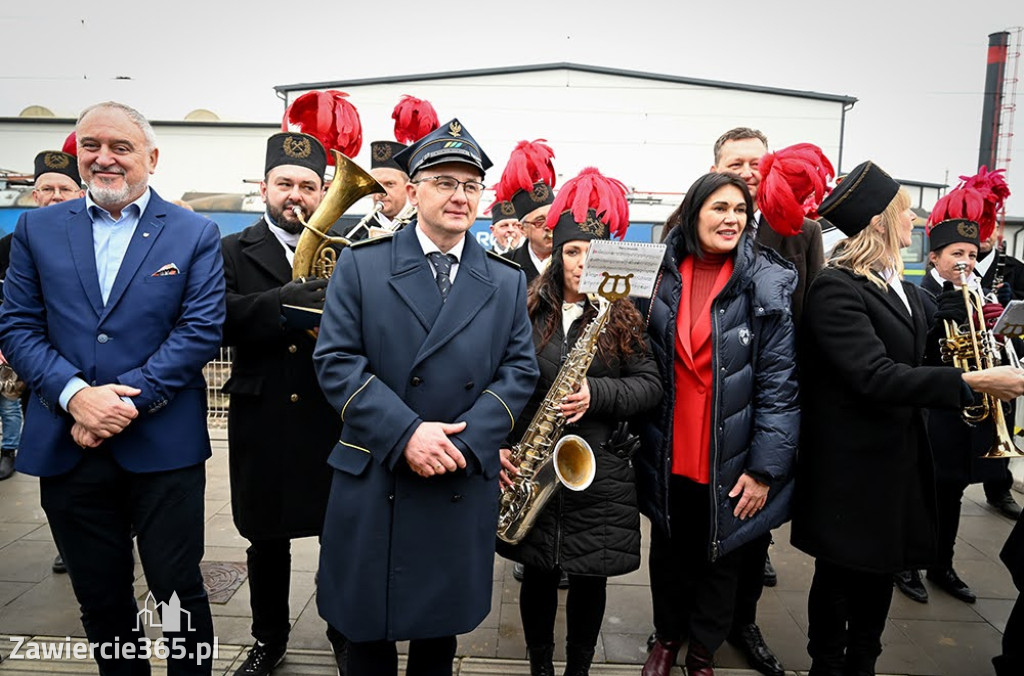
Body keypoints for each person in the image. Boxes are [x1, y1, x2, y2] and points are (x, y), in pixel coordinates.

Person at [0, 101, 225, 675]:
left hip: (162, 445)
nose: (103, 158)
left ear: (151, 157)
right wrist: (76, 395)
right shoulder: (38, 227)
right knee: (99, 595)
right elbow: (18, 325)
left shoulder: (194, 232)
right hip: (68, 443)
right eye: (91, 146)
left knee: (176, 592)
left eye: (120, 147)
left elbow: (199, 330)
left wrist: (118, 401)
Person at [312, 118, 539, 676]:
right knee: (366, 628)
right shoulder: (362, 265)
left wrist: (465, 441)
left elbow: (519, 370)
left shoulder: (505, 280)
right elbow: (337, 363)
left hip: (457, 472)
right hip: (378, 471)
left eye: (470, 184)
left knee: (438, 637)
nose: (459, 195)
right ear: (413, 192)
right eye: (444, 182)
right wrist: (406, 433)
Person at [790, 160, 1024, 675]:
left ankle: (864, 662)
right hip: (850, 469)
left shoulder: (909, 290)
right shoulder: (838, 289)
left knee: (879, 577)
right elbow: (875, 375)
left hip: (897, 462)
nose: (916, 218)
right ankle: (827, 665)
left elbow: (930, 357)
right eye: (905, 210)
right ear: (878, 220)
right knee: (839, 578)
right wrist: (975, 382)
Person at [496, 168, 662, 676]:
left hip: (602, 472)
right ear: (557, 254)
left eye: (592, 251)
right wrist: (501, 445)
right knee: (540, 577)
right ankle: (541, 666)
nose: (582, 262)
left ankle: (579, 668)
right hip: (536, 464)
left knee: (592, 580)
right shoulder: (525, 307)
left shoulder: (623, 315)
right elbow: (499, 380)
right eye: (572, 251)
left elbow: (651, 385)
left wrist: (599, 392)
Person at [638, 171, 800, 676]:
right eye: (719, 208)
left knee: (722, 557)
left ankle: (703, 652)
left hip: (732, 450)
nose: (731, 219)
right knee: (668, 551)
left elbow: (780, 384)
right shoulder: (656, 274)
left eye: (739, 211)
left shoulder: (766, 281)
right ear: (693, 214)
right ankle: (667, 639)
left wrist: (765, 469)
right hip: (667, 443)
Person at [220, 131, 347, 676]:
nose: (296, 195)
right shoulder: (230, 248)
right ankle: (268, 639)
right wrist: (280, 305)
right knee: (265, 540)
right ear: (264, 187)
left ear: (323, 193)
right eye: (284, 184)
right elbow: (213, 321)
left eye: (308, 186)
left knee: (340, 538)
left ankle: (347, 634)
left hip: (330, 416)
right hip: (264, 414)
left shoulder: (350, 252)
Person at [709, 127, 826, 676]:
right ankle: (688, 628)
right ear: (716, 167)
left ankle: (744, 622)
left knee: (753, 527)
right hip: (707, 404)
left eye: (759, 161)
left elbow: (810, 315)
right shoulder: (693, 222)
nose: (750, 171)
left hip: (767, 402)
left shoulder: (799, 231)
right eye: (737, 162)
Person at [3, 146, 87, 573]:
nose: (54, 196)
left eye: (64, 188)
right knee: (55, 460)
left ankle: (116, 533)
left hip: (92, 374)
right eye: (46, 189)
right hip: (37, 373)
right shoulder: (12, 244)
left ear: (80, 192)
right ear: (34, 196)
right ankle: (68, 540)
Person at [973, 227, 1024, 520]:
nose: (984, 235)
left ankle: (999, 488)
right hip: (971, 358)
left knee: (1002, 418)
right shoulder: (957, 264)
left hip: (1003, 354)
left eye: (989, 227)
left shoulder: (1014, 269)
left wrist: (1011, 300)